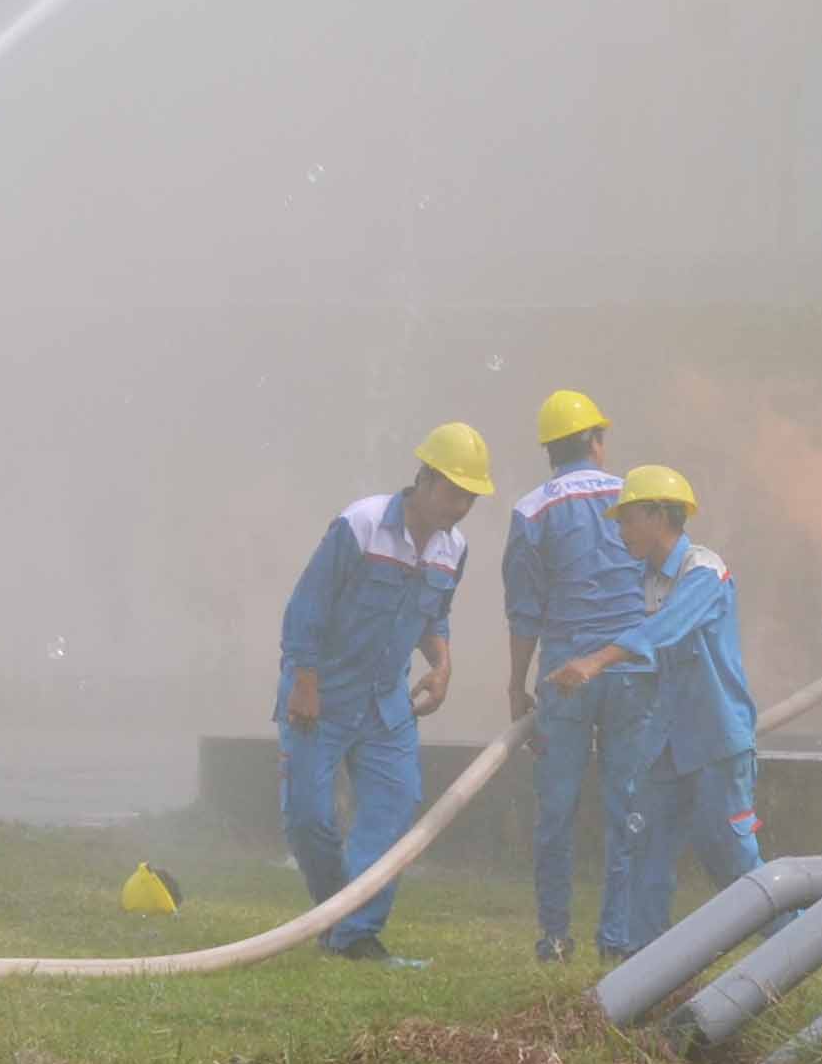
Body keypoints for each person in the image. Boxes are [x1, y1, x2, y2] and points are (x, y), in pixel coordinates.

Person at [277, 424, 483, 962]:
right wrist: (304, 682)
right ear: (424, 479)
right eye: (453, 492)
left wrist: (442, 665)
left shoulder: (453, 550)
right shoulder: (362, 525)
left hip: (385, 705)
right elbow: (307, 607)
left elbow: (434, 617)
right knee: (308, 817)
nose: (460, 506)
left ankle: (357, 935)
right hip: (321, 692)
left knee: (392, 810)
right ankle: (334, 915)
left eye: (470, 497)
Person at [552, 465, 757, 947]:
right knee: (647, 853)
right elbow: (653, 659)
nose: (619, 531)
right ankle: (644, 972)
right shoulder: (649, 579)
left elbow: (667, 632)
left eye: (626, 520)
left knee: (731, 858)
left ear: (658, 514)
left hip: (715, 742)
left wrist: (597, 661)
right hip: (665, 744)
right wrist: (581, 677)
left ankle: (800, 945)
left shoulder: (705, 571)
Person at [499, 387, 646, 962]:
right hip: (631, 668)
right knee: (628, 807)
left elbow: (524, 609)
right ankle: (617, 939)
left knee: (555, 810)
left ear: (550, 451)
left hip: (563, 676)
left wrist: (516, 685)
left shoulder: (532, 509)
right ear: (594, 440)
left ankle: (555, 937)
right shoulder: (633, 496)